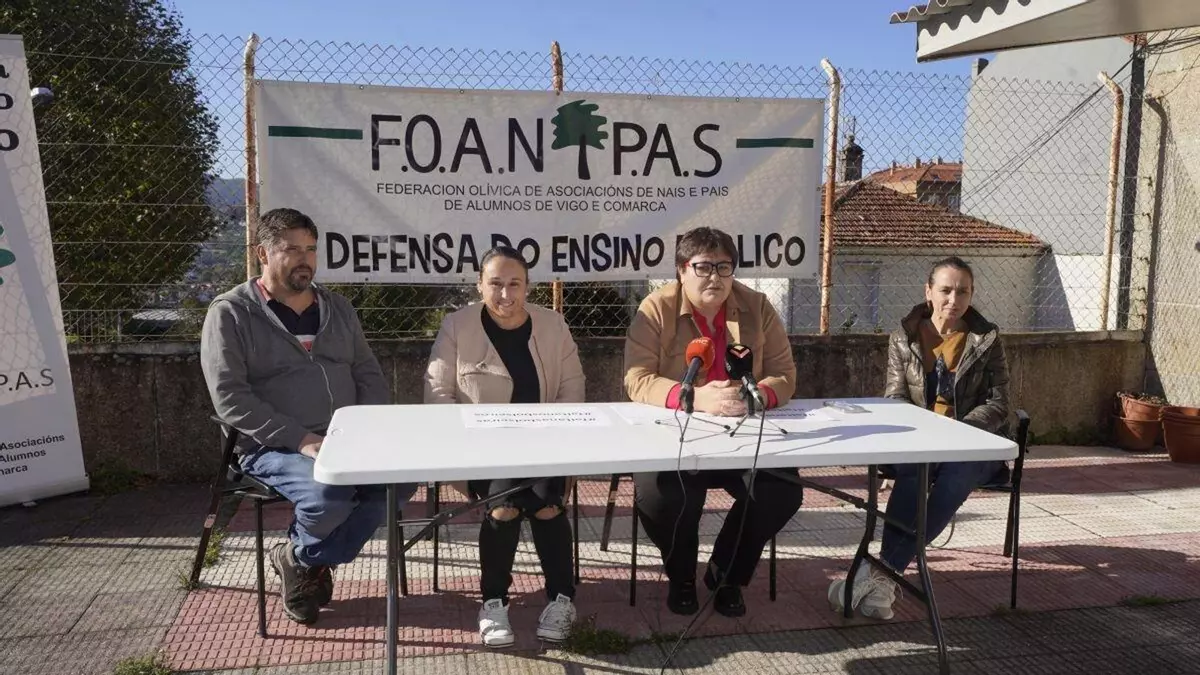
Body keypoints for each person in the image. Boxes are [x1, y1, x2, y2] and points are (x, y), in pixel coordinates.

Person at [200, 208, 416, 626]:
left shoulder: (338, 308)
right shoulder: (230, 313)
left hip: (344, 438)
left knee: (400, 483)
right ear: (263, 253)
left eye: (311, 249)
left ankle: (299, 556)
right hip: (272, 445)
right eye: (292, 249)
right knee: (328, 496)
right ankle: (311, 564)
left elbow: (368, 374)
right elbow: (230, 398)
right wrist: (301, 439)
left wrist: (366, 430)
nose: (305, 259)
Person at [623, 226, 802, 618]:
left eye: (724, 267)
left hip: (741, 433)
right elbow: (637, 379)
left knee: (781, 491)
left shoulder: (757, 306)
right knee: (662, 496)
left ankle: (726, 574)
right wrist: (696, 397)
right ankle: (682, 576)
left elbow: (784, 375)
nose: (715, 278)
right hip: (676, 436)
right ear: (681, 270)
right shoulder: (655, 309)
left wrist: (755, 395)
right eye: (703, 267)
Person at [827, 255, 1011, 620]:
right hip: (919, 441)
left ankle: (882, 572)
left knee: (956, 476)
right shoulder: (904, 338)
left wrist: (958, 431)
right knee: (913, 470)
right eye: (945, 290)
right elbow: (895, 398)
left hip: (974, 443)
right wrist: (927, 434)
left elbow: (1000, 403)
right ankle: (883, 581)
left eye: (963, 292)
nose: (953, 300)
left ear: (971, 295)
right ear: (928, 292)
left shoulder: (986, 339)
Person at [424, 245, 586, 648]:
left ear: (528, 286)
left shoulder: (554, 325)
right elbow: (437, 394)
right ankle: (493, 602)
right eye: (495, 283)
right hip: (483, 450)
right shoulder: (456, 326)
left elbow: (572, 390)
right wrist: (470, 440)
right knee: (504, 504)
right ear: (479, 285)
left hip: (545, 445)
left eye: (515, 284)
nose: (505, 294)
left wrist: (552, 436)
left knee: (548, 502)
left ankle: (562, 600)